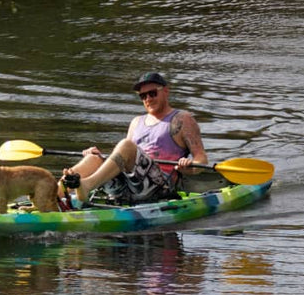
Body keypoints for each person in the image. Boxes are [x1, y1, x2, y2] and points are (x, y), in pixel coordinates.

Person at [64, 71, 208, 204]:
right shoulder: (136, 122)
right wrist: (101, 158)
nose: (148, 99)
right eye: (143, 96)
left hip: (159, 188)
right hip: (129, 186)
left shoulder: (183, 119)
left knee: (126, 145)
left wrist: (188, 167)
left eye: (152, 93)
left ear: (165, 91)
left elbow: (201, 159)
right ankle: (55, 195)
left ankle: (87, 185)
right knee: (93, 158)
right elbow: (124, 159)